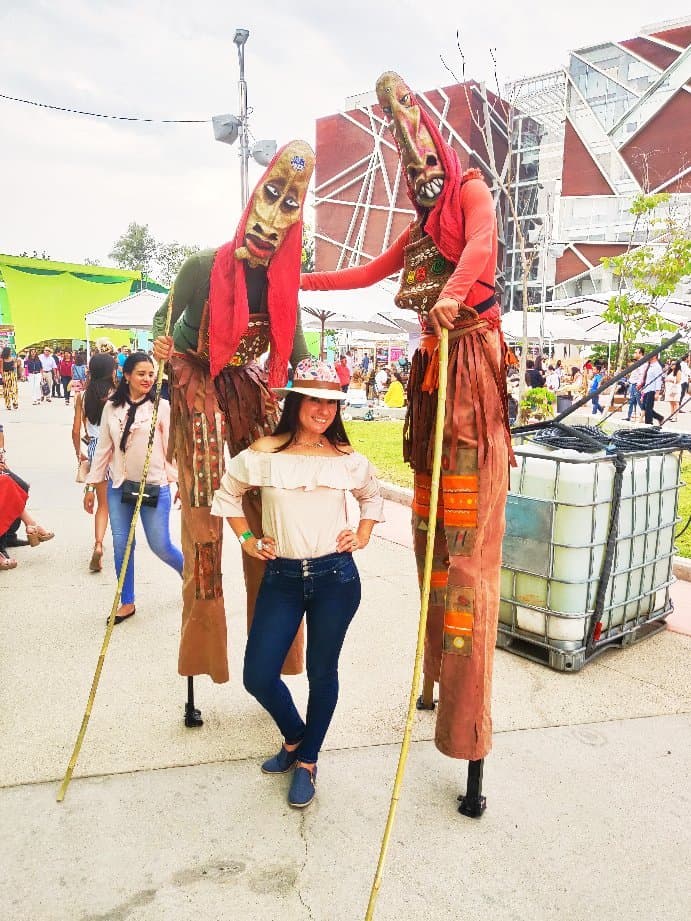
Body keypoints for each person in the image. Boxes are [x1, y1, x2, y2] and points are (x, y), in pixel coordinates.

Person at [301, 71, 512, 790]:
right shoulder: (416, 232)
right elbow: (361, 272)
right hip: (430, 386)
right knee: (429, 549)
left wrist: (453, 299)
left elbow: (482, 244)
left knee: (465, 563)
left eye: (427, 161)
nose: (421, 175)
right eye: (408, 165)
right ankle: (431, 682)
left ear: (441, 157)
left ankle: (464, 722)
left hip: (470, 378)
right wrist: (300, 280)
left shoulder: (473, 190)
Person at [151, 140, 315, 722]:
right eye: (269, 198)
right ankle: (201, 664)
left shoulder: (283, 286)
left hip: (249, 399)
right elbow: (161, 322)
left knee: (262, 527)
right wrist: (163, 346)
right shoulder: (202, 266)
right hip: (197, 393)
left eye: (288, 209)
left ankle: (267, 664)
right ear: (252, 202)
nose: (272, 220)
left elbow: (300, 357)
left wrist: (315, 404)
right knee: (201, 527)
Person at [210, 360, 384, 807]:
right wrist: (247, 539)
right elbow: (227, 493)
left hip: (336, 579)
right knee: (257, 675)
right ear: (295, 402)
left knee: (323, 672)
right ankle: (295, 737)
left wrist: (362, 533)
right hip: (283, 577)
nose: (324, 410)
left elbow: (371, 494)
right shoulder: (264, 454)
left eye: (331, 403)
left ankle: (308, 760)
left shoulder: (345, 459)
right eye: (314, 400)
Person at [84, 352, 183, 624]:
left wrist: (178, 482)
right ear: (126, 376)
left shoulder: (161, 407)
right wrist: (91, 487)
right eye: (141, 374)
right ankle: (127, 601)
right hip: (119, 487)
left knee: (160, 544)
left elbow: (171, 448)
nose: (148, 379)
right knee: (121, 543)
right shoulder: (111, 408)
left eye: (151, 374)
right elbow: (103, 450)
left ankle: (190, 579)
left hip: (154, 487)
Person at [73, 353, 117, 571]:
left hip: (94, 448)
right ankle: (125, 542)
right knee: (120, 500)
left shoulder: (82, 396)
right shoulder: (116, 395)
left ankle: (99, 544)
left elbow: (75, 431)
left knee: (103, 504)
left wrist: (79, 454)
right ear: (111, 371)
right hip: (116, 450)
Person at [640, 355, 664, 425]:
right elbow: (647, 379)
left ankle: (648, 424)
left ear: (654, 356)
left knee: (648, 409)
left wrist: (657, 392)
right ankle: (659, 417)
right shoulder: (650, 366)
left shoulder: (657, 367)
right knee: (645, 408)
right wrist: (643, 390)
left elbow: (658, 380)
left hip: (652, 390)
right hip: (647, 389)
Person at [625, 348, 645, 421]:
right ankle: (629, 416)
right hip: (633, 384)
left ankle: (643, 418)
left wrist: (639, 385)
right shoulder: (638, 363)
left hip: (638, 385)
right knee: (632, 401)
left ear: (640, 353)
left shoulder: (643, 362)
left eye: (636, 352)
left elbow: (642, 375)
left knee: (639, 401)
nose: (634, 354)